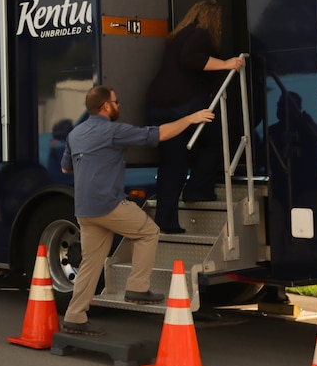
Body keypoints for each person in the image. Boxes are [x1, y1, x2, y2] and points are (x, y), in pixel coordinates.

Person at [61, 85, 215, 336]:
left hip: (85, 209)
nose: (119, 106)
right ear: (105, 106)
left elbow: (66, 168)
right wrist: (190, 118)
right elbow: (158, 134)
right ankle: (137, 287)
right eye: (117, 102)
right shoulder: (112, 131)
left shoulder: (75, 134)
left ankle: (74, 316)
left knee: (91, 263)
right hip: (108, 204)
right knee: (148, 232)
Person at [144, 0, 244, 232]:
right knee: (215, 142)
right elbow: (190, 58)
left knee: (173, 164)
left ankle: (166, 222)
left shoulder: (178, 36)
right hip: (184, 103)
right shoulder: (201, 34)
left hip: (156, 105)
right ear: (213, 19)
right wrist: (226, 64)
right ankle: (198, 189)